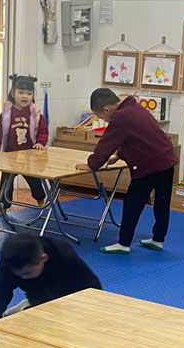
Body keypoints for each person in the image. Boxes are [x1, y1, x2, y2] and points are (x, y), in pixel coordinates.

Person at [75, 88, 178, 255]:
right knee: (162, 203)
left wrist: (92, 164)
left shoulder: (120, 117)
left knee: (132, 204)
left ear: (106, 109)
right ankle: (158, 239)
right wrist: (119, 155)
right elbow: (138, 138)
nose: (105, 121)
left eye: (102, 117)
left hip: (148, 166)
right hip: (166, 161)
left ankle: (123, 243)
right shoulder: (134, 108)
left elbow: (106, 143)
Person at [0, 233, 101, 334]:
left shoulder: (63, 254)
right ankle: (28, 306)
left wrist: (97, 312)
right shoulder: (9, 263)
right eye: (19, 275)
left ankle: (29, 307)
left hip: (69, 293)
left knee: (61, 326)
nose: (23, 277)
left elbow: (91, 286)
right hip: (37, 294)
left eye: (27, 273)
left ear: (43, 258)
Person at [0, 75, 49, 210]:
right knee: (6, 183)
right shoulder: (6, 114)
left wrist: (40, 143)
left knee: (35, 182)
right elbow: (0, 134)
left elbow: (43, 132)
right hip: (10, 156)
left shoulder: (36, 114)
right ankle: (3, 205)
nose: (25, 96)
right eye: (21, 92)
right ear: (13, 93)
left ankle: (40, 199)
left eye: (29, 93)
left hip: (29, 157)